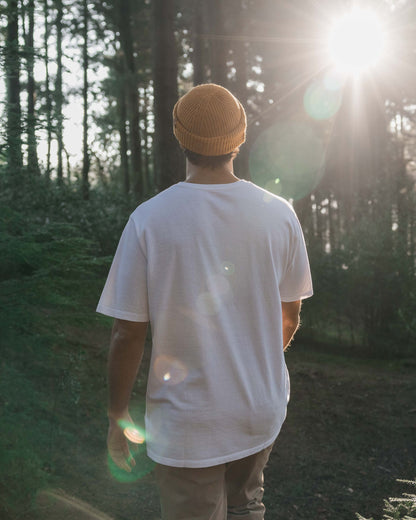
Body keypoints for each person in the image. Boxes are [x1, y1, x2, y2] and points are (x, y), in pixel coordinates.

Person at [97, 83, 313, 520]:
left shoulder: (149, 220)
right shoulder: (279, 214)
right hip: (259, 409)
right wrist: (250, 365)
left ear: (180, 137)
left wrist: (117, 413)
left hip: (188, 426)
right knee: (246, 506)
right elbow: (289, 315)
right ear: (240, 136)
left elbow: (127, 333)